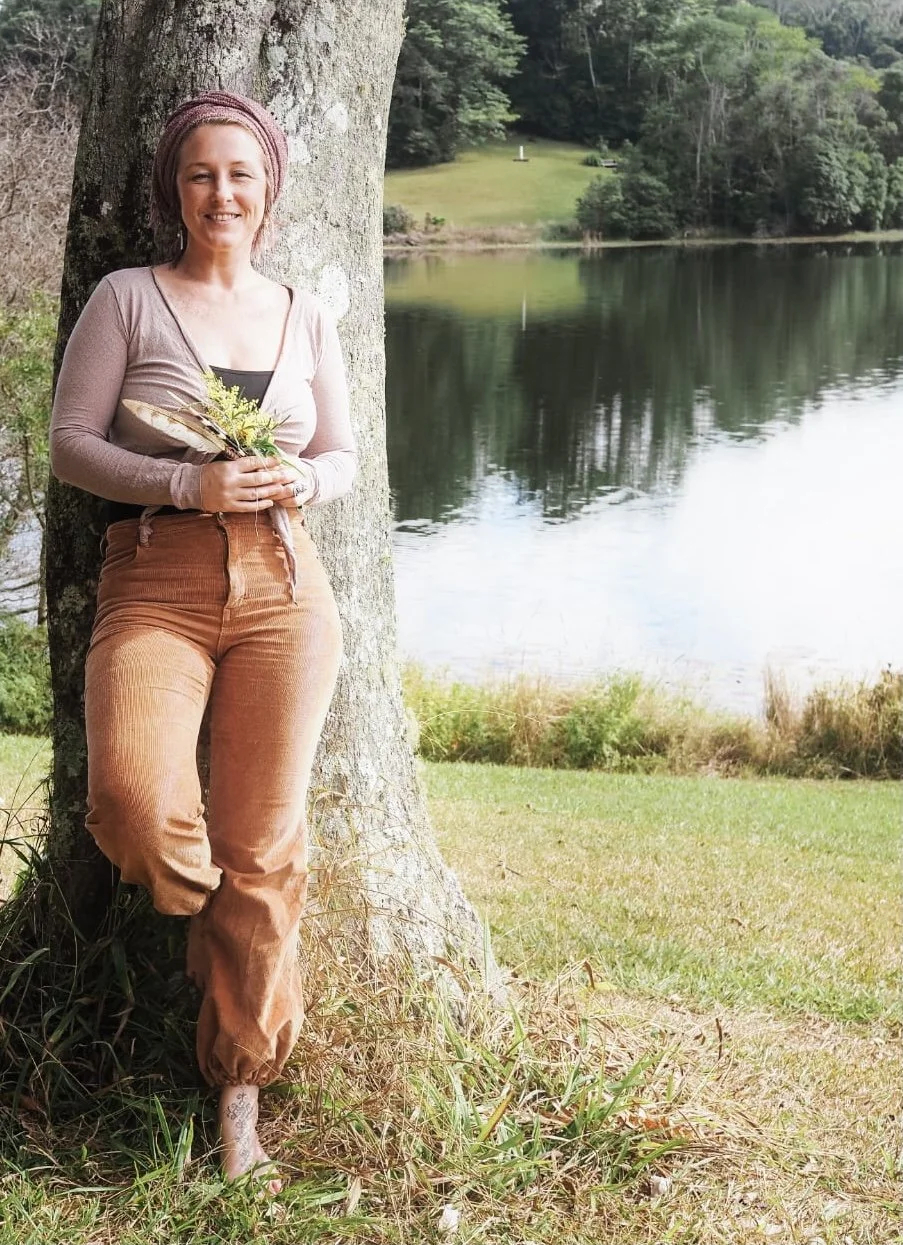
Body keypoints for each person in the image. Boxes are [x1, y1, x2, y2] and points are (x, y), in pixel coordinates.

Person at [49, 91, 356, 1193]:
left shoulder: (302, 312)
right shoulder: (129, 300)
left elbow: (345, 459)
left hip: (283, 587)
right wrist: (189, 478)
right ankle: (200, 914)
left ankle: (239, 1100)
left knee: (266, 848)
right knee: (135, 803)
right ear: (173, 191)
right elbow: (72, 443)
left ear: (268, 190)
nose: (221, 192)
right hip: (159, 580)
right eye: (200, 175)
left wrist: (301, 476)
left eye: (240, 174)